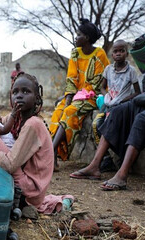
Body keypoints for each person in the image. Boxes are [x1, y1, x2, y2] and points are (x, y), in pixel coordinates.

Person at [70, 14, 145, 191]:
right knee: (117, 111)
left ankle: (122, 174)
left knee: (142, 119)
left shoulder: (130, 71)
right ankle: (95, 165)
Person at [0, 73, 73, 214]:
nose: (19, 95)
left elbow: (10, 164)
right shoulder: (16, 118)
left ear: (36, 98)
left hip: (29, 191)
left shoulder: (33, 124)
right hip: (20, 177)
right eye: (15, 92)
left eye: (26, 91)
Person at [49, 18, 110, 170]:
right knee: (59, 110)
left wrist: (75, 98)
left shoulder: (99, 54)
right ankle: (54, 157)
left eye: (78, 35)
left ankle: (50, 152)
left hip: (92, 96)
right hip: (76, 95)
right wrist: (68, 97)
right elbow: (71, 77)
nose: (76, 38)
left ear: (87, 38)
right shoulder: (75, 53)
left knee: (70, 111)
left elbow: (97, 83)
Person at [92, 40, 141, 172]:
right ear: (112, 54)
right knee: (96, 125)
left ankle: (123, 158)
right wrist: (107, 96)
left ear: (127, 53)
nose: (118, 54)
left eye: (121, 51)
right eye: (115, 51)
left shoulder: (131, 71)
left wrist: (123, 100)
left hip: (122, 108)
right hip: (109, 106)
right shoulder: (108, 69)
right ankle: (106, 159)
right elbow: (102, 87)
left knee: (118, 131)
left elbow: (137, 92)